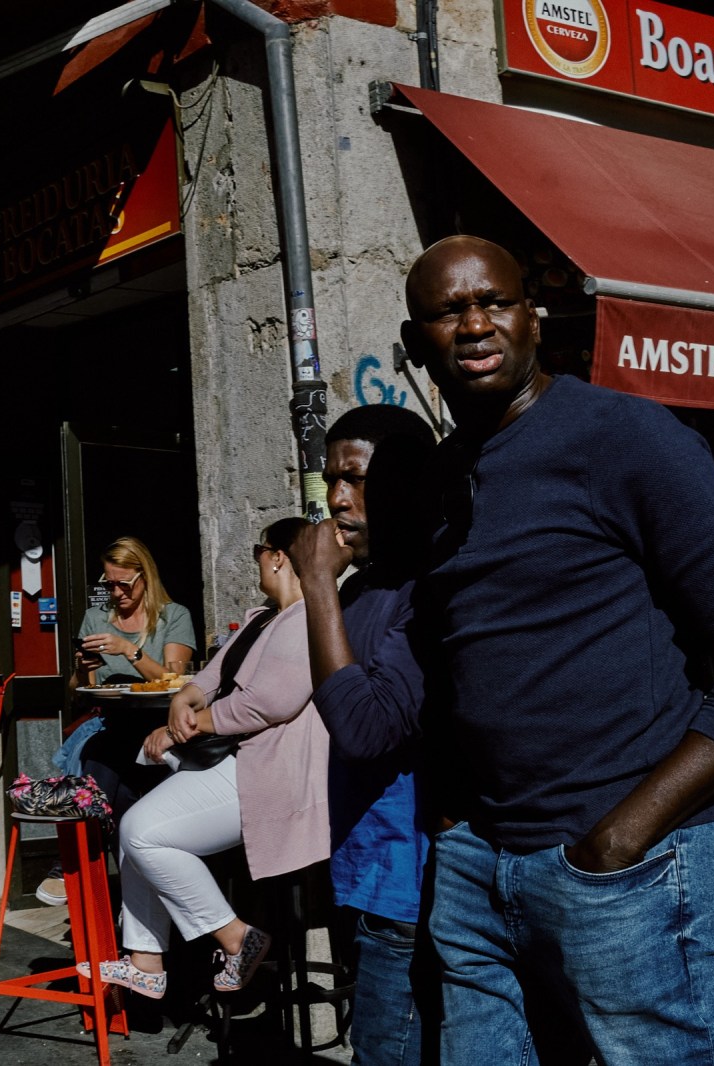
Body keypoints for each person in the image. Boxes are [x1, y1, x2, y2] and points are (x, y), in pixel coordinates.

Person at [401, 235, 714, 1064]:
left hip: (629, 866)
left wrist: (622, 837)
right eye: (449, 312)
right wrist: (456, 824)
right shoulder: (445, 477)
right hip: (484, 868)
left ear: (535, 318)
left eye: (495, 302)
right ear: (417, 344)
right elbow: (459, 658)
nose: (476, 325)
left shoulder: (622, 436)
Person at [81, 517, 328, 999]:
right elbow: (210, 676)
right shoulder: (262, 618)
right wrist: (185, 697)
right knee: (134, 827)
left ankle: (236, 937)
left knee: (141, 832)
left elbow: (266, 704)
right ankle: (146, 961)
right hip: (230, 761)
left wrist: (191, 724)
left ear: (279, 557)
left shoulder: (305, 619)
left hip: (268, 774)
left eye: (259, 551)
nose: (256, 560)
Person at [287, 404, 437, 1065]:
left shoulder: (428, 589)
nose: (338, 500)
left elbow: (364, 730)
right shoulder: (362, 589)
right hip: (360, 868)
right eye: (330, 481)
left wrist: (317, 581)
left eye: (356, 479)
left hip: (408, 885)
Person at [39, 536, 196, 905]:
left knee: (101, 759)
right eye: (109, 584)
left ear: (145, 576)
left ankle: (70, 863)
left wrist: (130, 650)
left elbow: (175, 681)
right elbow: (80, 691)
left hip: (159, 728)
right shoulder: (97, 618)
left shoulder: (174, 616)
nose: (116, 592)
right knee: (111, 777)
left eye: (124, 584)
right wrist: (82, 669)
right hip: (113, 724)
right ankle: (133, 904)